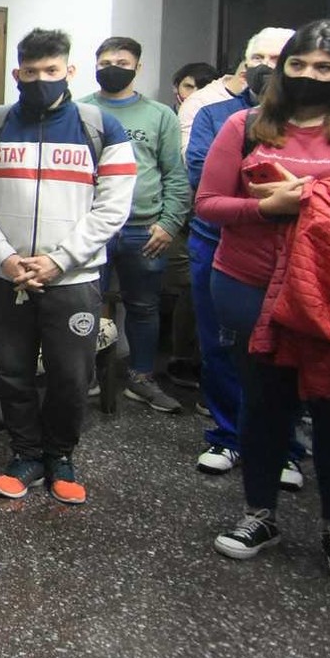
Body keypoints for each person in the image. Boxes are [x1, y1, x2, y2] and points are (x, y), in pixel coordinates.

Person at [0, 28, 135, 505]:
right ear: (17, 73)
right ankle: (25, 455)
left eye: (52, 70)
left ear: (69, 71)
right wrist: (5, 257)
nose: (41, 80)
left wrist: (59, 260)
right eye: (31, 72)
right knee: (12, 373)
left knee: (70, 377)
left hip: (73, 280)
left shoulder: (101, 128)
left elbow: (113, 208)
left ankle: (61, 457)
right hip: (4, 277)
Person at [196, 20, 330, 571]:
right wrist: (266, 208)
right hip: (248, 286)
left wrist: (311, 197)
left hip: (326, 294)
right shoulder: (246, 125)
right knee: (263, 404)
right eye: (298, 65)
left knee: (329, 409)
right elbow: (208, 204)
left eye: (324, 67)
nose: (309, 76)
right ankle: (260, 513)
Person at [185, 27, 304, 480]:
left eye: (277, 59)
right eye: (259, 58)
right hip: (216, 246)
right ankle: (229, 435)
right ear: (244, 63)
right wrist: (277, 198)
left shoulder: (312, 124)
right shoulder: (218, 116)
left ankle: (285, 447)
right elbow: (201, 174)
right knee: (221, 346)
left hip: (295, 256)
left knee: (288, 354)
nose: (266, 67)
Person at [79, 36, 190, 413]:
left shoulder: (160, 115)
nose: (113, 68)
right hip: (91, 229)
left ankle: (141, 378)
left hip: (144, 230)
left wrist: (169, 223)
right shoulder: (79, 111)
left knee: (144, 307)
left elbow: (175, 175)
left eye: (123, 63)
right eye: (105, 62)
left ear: (137, 68)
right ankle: (84, 376)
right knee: (83, 303)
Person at [161, 62, 219, 387]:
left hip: (206, 216)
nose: (194, 94)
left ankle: (202, 360)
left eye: (202, 88)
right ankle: (181, 358)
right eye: (188, 86)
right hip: (173, 217)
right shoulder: (167, 120)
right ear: (176, 88)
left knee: (203, 290)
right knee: (188, 287)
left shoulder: (217, 121)